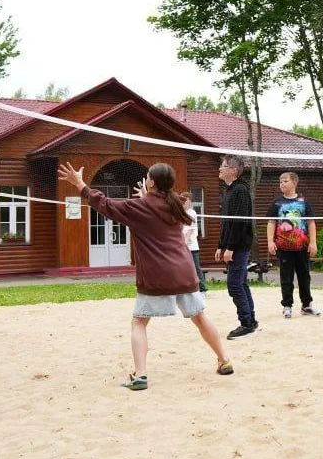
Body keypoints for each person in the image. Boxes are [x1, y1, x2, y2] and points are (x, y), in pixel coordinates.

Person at [60, 161, 234, 390]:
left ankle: (140, 375)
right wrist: (146, 197)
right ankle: (224, 360)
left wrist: (80, 183)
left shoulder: (139, 207)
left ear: (150, 182)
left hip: (157, 275)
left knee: (139, 322)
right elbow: (155, 207)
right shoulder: (176, 205)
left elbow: (104, 204)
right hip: (184, 271)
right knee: (200, 317)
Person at [266, 171, 322, 319]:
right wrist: (270, 241)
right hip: (283, 248)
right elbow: (271, 222)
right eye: (280, 182)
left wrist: (313, 242)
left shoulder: (304, 202)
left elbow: (311, 223)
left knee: (304, 277)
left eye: (285, 181)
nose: (282, 184)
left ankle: (306, 305)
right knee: (286, 277)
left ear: (294, 183)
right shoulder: (277, 203)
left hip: (302, 247)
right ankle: (287, 305)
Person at [216, 156, 257, 339]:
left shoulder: (240, 190)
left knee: (234, 285)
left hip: (239, 245)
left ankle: (246, 324)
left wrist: (230, 248)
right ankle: (251, 321)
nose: (219, 169)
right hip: (233, 245)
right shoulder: (229, 190)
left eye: (223, 166)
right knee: (241, 283)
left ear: (233, 170)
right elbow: (226, 223)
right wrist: (220, 245)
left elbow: (239, 222)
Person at [180, 193, 206, 292]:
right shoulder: (180, 212)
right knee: (183, 267)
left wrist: (185, 242)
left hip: (192, 246)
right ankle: (186, 287)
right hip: (182, 245)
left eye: (184, 200)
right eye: (181, 200)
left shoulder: (192, 212)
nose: (183, 203)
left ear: (189, 201)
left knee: (196, 267)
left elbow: (190, 230)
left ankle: (202, 288)